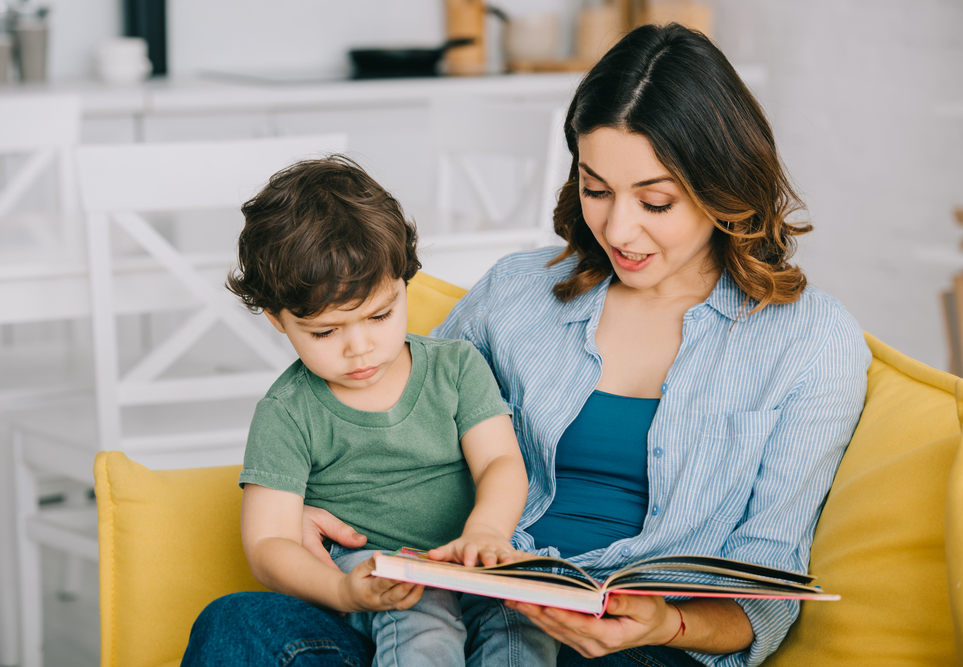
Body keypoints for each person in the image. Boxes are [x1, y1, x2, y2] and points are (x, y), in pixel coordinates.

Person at [182, 22, 870, 667]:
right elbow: (392, 407)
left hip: (627, 646)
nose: (619, 229)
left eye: (654, 202)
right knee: (239, 624)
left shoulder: (810, 342)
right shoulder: (516, 292)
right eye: (595, 189)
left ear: (723, 186)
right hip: (452, 611)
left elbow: (768, 585)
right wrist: (298, 513)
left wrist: (667, 623)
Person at [206, 155, 558, 667]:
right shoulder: (288, 412)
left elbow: (500, 463)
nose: (360, 348)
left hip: (474, 551)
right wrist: (342, 589)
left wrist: (486, 531)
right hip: (374, 571)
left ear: (405, 281)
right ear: (278, 319)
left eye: (380, 315)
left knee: (523, 619)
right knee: (423, 621)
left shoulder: (456, 368)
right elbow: (269, 543)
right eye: (326, 332)